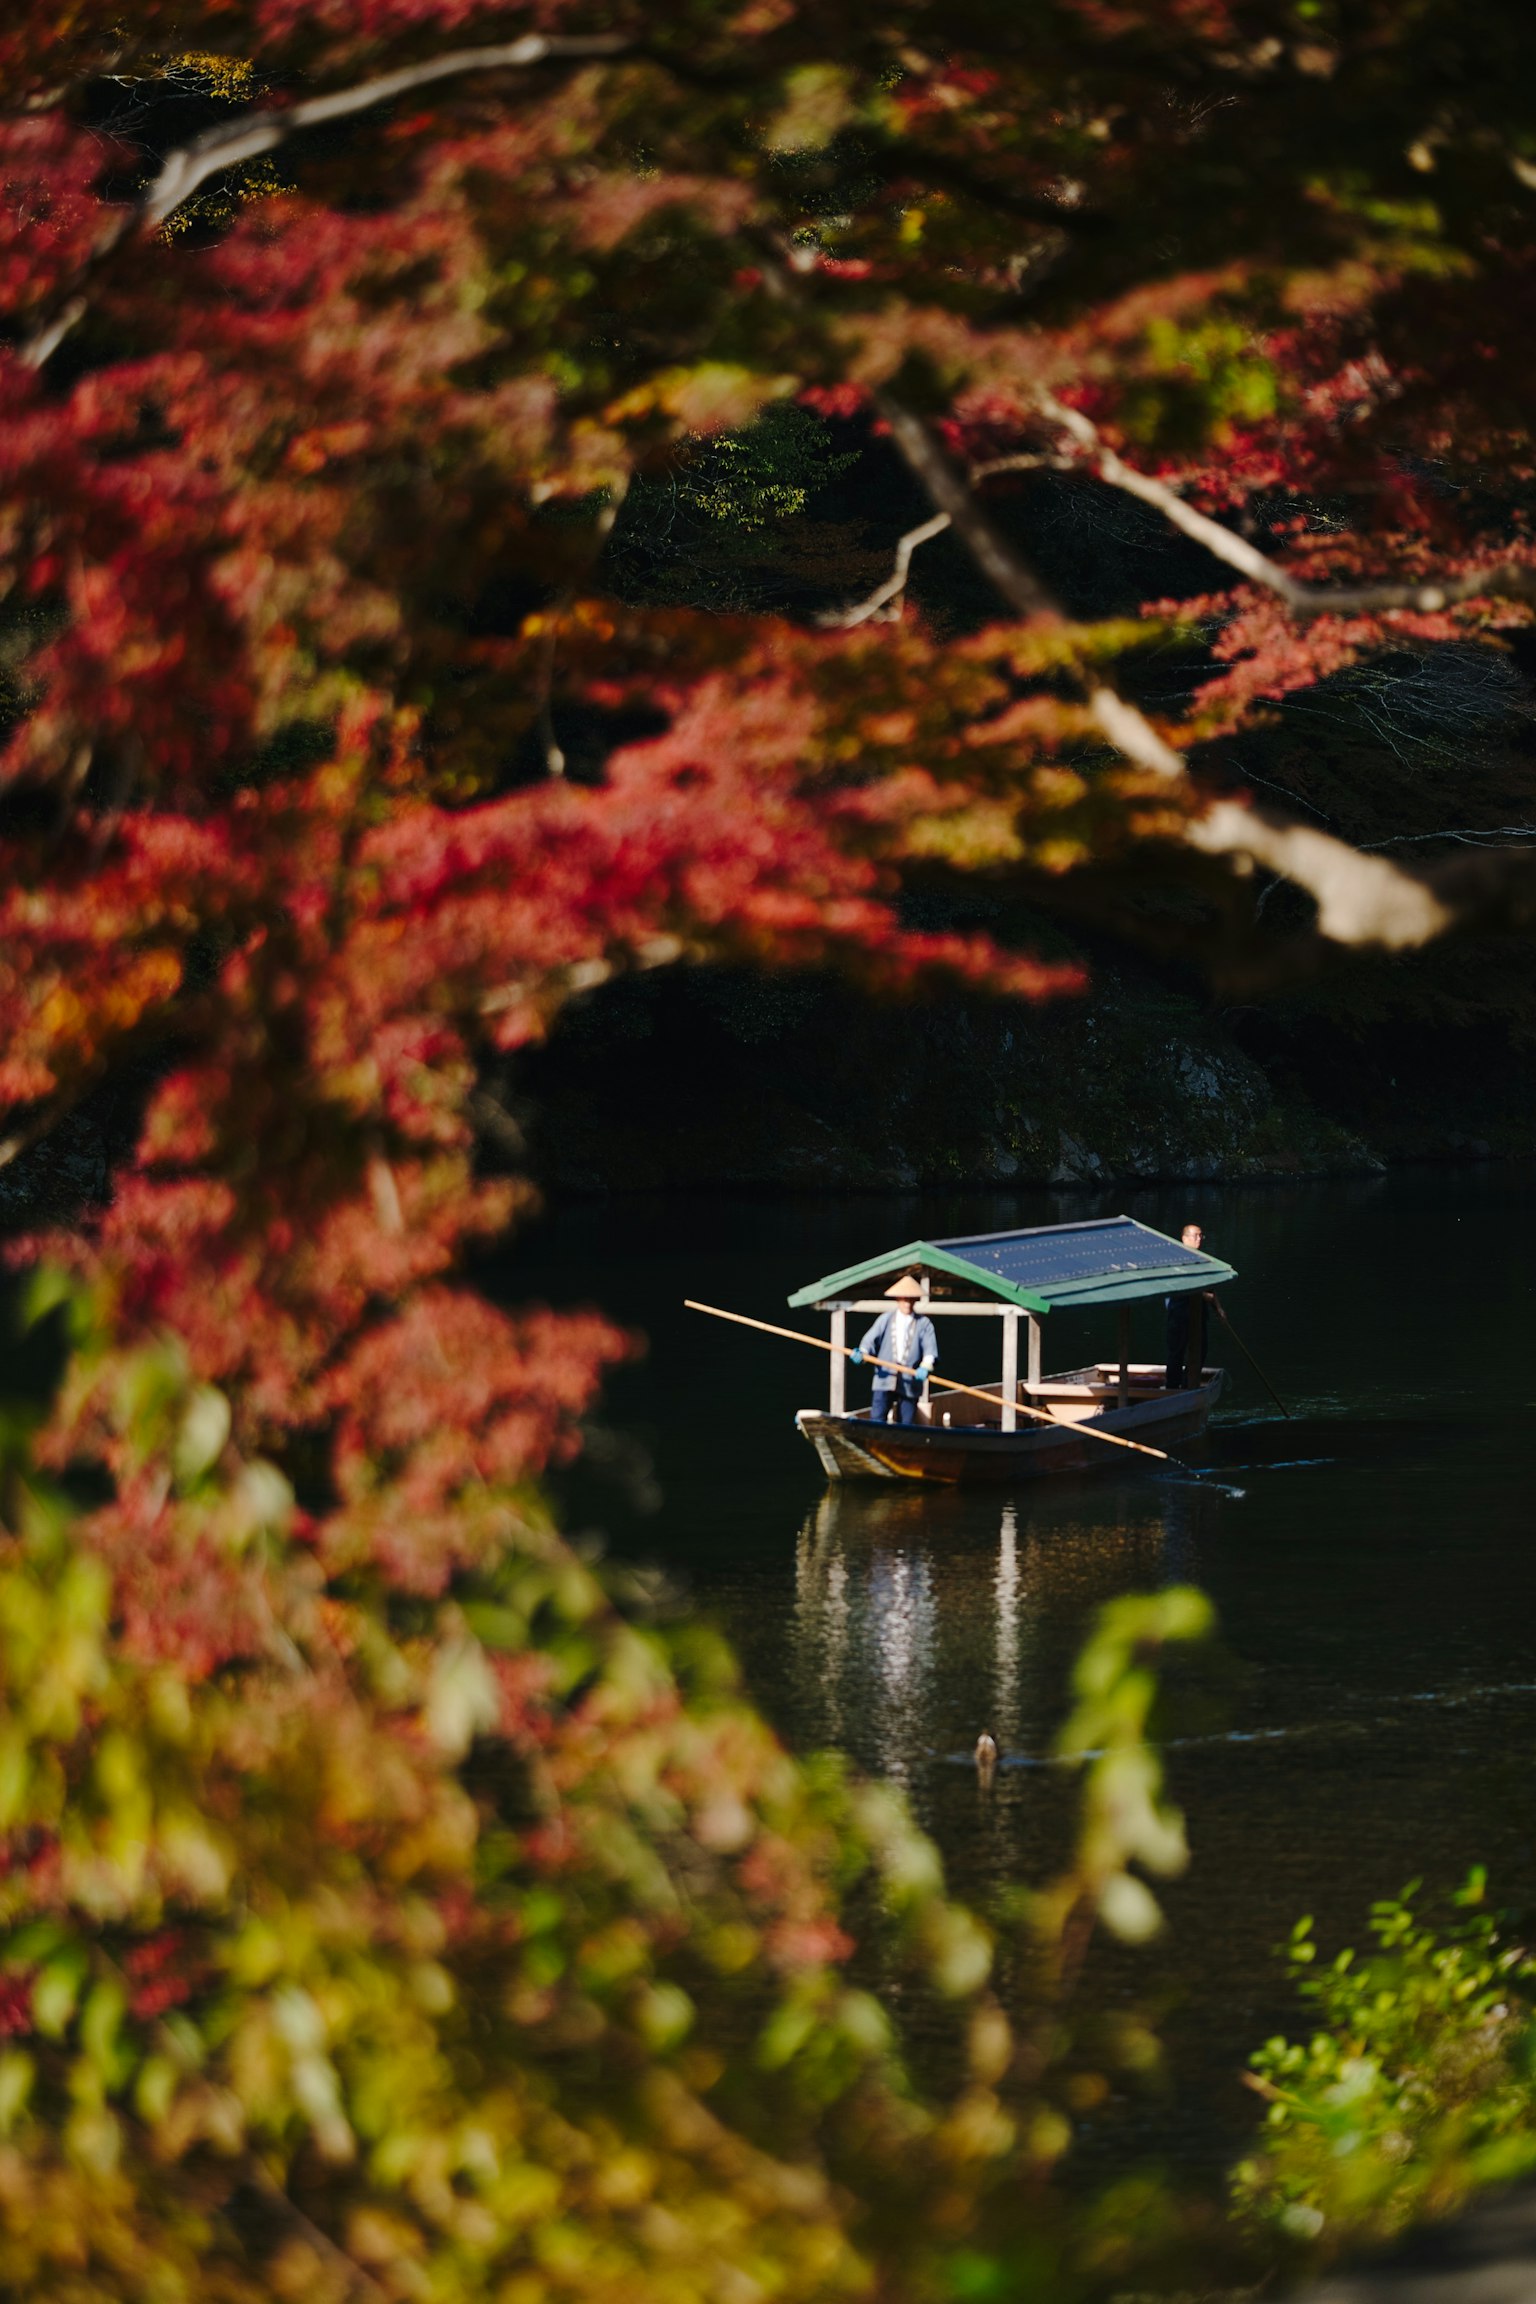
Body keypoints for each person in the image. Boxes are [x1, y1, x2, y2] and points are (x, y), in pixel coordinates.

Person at [850, 1273, 937, 1425]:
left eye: (911, 1299)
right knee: (877, 1418)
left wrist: (924, 1366)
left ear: (916, 1300)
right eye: (904, 1299)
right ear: (898, 1299)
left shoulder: (924, 1324)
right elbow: (869, 1341)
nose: (907, 1303)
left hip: (910, 1380)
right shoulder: (885, 1319)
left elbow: (930, 1351)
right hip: (885, 1377)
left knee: (907, 1423)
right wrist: (862, 1353)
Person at [1164, 1221, 1210, 1389]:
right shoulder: (1176, 1260)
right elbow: (1179, 1286)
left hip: (1199, 1315)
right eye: (1195, 1236)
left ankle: (1188, 1384)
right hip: (1179, 1314)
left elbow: (1210, 1287)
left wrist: (1218, 1308)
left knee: (1200, 1350)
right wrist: (1204, 1295)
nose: (1199, 1239)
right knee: (1176, 1351)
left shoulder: (1204, 1260)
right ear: (1184, 1238)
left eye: (1200, 1235)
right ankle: (1172, 1386)